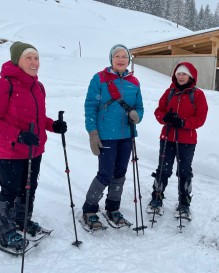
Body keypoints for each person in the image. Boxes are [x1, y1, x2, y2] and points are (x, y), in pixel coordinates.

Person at [0, 41, 67, 249]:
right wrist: (18, 135)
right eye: (28, 58)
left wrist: (52, 125)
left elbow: (37, 119)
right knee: (10, 190)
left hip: (33, 149)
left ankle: (21, 220)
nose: (34, 62)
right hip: (10, 151)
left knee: (28, 189)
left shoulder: (37, 86)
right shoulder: (3, 85)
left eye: (36, 58)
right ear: (17, 60)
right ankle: (4, 230)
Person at [82, 44, 143, 229]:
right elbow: (90, 106)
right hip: (106, 135)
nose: (121, 59)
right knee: (105, 174)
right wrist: (93, 133)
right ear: (111, 59)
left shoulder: (135, 82)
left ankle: (112, 208)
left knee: (120, 173)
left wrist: (137, 116)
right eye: (117, 55)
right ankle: (90, 209)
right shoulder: (99, 78)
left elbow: (139, 107)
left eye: (124, 56)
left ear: (129, 60)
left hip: (127, 135)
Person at [147, 62, 208, 219]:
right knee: (163, 169)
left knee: (184, 172)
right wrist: (164, 117)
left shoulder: (198, 95)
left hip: (187, 140)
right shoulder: (169, 92)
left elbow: (200, 118)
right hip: (167, 137)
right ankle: (156, 199)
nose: (181, 77)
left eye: (184, 74)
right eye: (179, 74)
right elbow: (159, 111)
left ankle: (184, 203)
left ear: (191, 77)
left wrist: (183, 123)